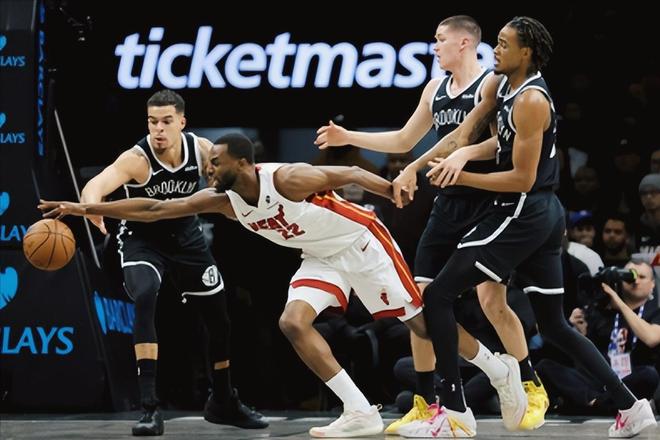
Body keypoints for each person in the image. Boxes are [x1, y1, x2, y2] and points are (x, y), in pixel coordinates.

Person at [39, 133, 522, 438]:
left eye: (216, 163)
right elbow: (156, 209)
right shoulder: (225, 200)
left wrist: (393, 188)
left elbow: (351, 171)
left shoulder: (288, 179)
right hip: (320, 256)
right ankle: (360, 410)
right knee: (292, 321)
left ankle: (497, 369)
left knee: (421, 325)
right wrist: (87, 208)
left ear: (243, 164)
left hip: (360, 242)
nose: (208, 170)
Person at [396, 16, 656, 438]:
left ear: (526, 52)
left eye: (503, 44)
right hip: (539, 214)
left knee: (438, 296)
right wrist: (431, 162)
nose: (495, 50)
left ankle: (455, 414)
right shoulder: (499, 85)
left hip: (524, 211)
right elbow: (466, 134)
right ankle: (632, 406)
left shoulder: (532, 100)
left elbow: (522, 178)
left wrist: (463, 176)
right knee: (553, 325)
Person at [315, 15, 534, 432]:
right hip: (447, 204)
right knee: (418, 300)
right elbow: (403, 139)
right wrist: (350, 137)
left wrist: (458, 155)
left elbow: (503, 143)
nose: (433, 47)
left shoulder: (490, 84)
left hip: (487, 203)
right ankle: (428, 402)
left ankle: (524, 379)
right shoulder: (434, 89)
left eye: (439, 39)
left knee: (493, 302)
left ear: (464, 43)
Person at [75, 90, 266, 436]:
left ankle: (223, 400)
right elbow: (96, 184)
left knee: (220, 319)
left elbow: (234, 177)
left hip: (187, 237)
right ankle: (149, 407)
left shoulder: (202, 149)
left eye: (166, 121)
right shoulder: (137, 159)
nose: (158, 129)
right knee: (145, 295)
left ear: (182, 122)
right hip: (142, 239)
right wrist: (92, 209)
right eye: (152, 122)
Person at [541, 261, 660, 415]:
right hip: (599, 379)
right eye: (629, 276)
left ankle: (592, 403)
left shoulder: (655, 313)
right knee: (545, 366)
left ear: (652, 285)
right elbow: (583, 355)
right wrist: (575, 330)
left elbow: (652, 338)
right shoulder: (601, 311)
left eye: (642, 277)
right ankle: (599, 402)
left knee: (649, 375)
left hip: (631, 378)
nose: (635, 280)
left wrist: (619, 302)